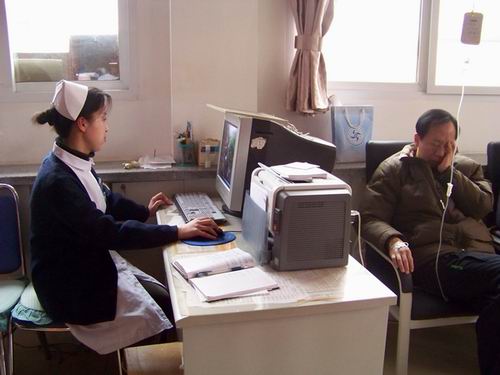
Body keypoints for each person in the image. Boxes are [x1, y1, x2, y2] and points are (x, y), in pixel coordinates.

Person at [29, 80, 220, 354]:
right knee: (164, 305)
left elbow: (106, 198)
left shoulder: (73, 160)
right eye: (103, 119)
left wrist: (145, 212)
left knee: (164, 299)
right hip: (67, 286)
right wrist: (176, 232)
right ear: (82, 124)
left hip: (81, 267)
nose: (107, 126)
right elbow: (107, 232)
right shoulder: (58, 181)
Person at [361, 108, 500, 375]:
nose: (443, 151)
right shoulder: (394, 170)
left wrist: (452, 174)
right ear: (417, 139)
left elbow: (483, 206)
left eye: (450, 144)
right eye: (436, 144)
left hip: (478, 256)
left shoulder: (467, 167)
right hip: (434, 258)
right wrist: (393, 241)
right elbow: (370, 219)